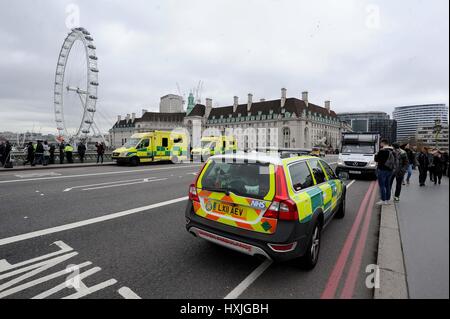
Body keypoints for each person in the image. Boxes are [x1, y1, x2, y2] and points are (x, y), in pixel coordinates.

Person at [375, 139, 395, 205]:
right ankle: (387, 200)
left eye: (381, 143)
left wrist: (376, 154)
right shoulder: (392, 151)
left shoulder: (382, 151)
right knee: (387, 185)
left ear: (383, 143)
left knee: (382, 185)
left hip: (382, 170)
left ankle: (383, 200)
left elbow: (376, 159)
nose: (380, 144)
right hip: (390, 170)